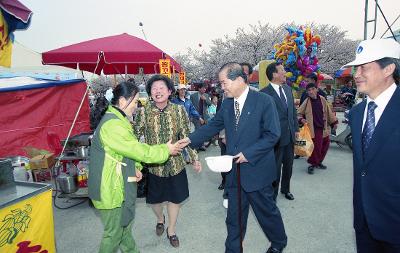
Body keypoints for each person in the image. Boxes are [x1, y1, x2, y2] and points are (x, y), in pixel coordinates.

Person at [185, 62, 287, 253]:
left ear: (239, 79)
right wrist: (188, 140)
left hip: (257, 171)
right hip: (234, 173)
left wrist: (248, 154)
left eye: (224, 83)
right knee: (234, 218)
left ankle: (278, 243)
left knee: (267, 214)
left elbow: (273, 134)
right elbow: (213, 125)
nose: (221, 87)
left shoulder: (264, 101)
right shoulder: (227, 103)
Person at [88, 81, 184, 253]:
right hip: (109, 188)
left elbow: (127, 149)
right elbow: (137, 149)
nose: (136, 106)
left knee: (124, 230)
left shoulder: (119, 119)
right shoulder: (113, 125)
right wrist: (165, 149)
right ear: (123, 101)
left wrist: (136, 167)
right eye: (135, 102)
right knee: (114, 234)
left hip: (119, 184)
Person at [344, 38, 400, 253]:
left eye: (364, 67)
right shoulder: (357, 114)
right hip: (364, 222)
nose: (356, 74)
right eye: (356, 68)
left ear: (388, 69)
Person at [133, 75, 202, 248]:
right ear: (150, 93)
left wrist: (194, 158)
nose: (157, 91)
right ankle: (160, 218)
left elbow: (186, 137)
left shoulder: (179, 111)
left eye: (161, 87)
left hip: (176, 164)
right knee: (155, 201)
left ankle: (171, 230)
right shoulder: (144, 111)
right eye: (154, 88)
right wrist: (135, 163)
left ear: (170, 91)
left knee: (175, 199)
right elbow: (134, 137)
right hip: (154, 166)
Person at [260, 62, 299, 201]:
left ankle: (286, 189)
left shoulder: (288, 90)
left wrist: (295, 129)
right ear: (274, 74)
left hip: (289, 137)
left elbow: (293, 111)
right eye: (282, 70)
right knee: (274, 168)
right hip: (274, 139)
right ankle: (272, 194)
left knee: (289, 166)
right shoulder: (264, 93)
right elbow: (261, 119)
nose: (285, 72)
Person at [298, 83, 338, 175]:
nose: (311, 92)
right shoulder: (307, 101)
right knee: (317, 148)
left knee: (325, 145)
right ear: (307, 92)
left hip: (324, 127)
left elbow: (328, 111)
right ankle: (312, 164)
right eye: (309, 90)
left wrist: (334, 122)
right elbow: (298, 113)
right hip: (313, 128)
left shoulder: (322, 99)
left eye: (312, 89)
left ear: (317, 89)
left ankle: (318, 162)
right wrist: (301, 119)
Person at [190, 82, 212, 150]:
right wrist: (191, 117)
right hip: (196, 116)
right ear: (199, 88)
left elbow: (210, 104)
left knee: (202, 131)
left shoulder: (206, 95)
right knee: (197, 131)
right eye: (203, 88)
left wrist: (205, 99)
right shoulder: (193, 96)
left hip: (204, 116)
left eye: (205, 88)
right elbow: (191, 106)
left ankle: (201, 145)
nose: (205, 89)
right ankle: (196, 146)